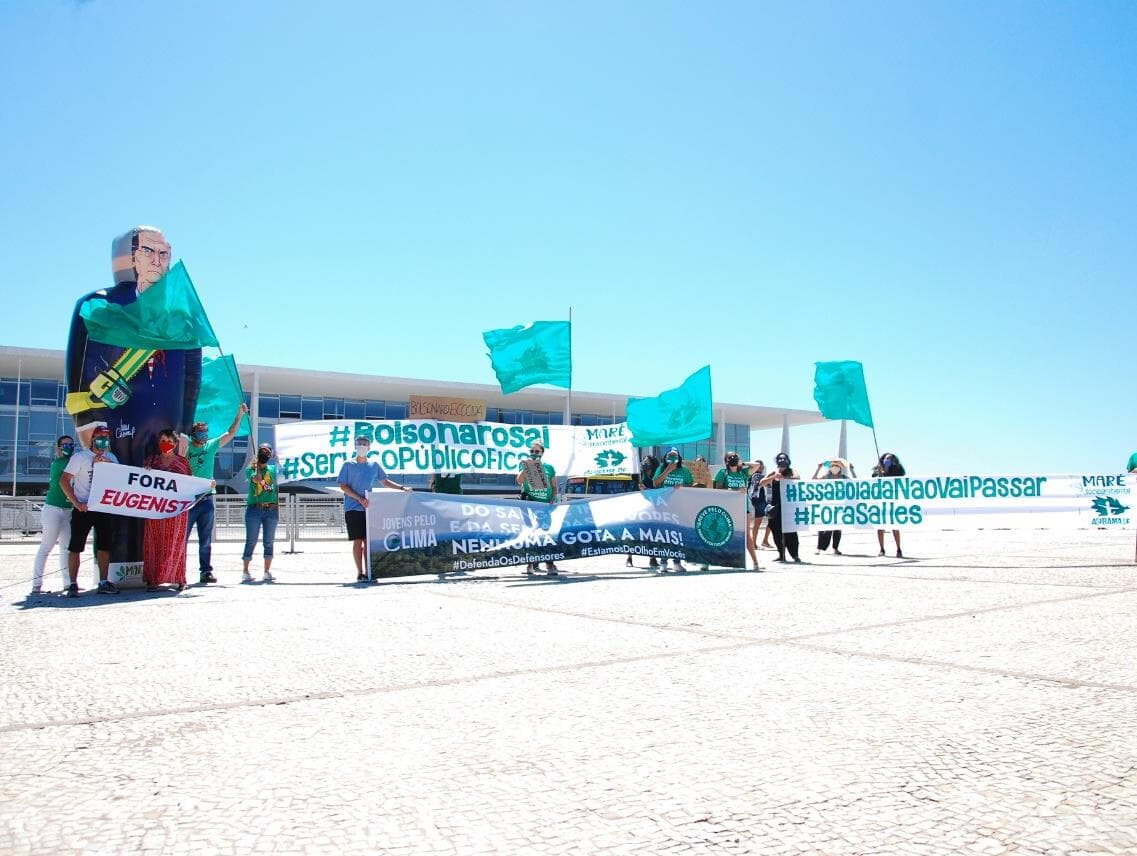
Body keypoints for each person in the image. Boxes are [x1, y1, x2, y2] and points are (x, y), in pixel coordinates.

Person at [65, 226, 202, 576]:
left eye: (165, 253)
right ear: (131, 256)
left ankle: (158, 570)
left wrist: (185, 427)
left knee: (159, 503)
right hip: (113, 419)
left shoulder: (181, 317)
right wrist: (86, 419)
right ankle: (115, 572)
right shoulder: (99, 304)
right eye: (149, 251)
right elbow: (79, 364)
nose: (158, 260)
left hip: (166, 426)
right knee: (115, 503)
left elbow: (190, 378)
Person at [183, 403, 248, 584]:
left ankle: (206, 571)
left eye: (206, 432)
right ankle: (179, 571)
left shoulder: (211, 445)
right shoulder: (186, 446)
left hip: (207, 497)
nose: (204, 435)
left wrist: (239, 414)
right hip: (189, 498)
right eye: (201, 432)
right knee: (183, 537)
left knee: (205, 539)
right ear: (193, 434)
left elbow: (230, 433)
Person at [58, 423, 121, 597]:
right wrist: (76, 502)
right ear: (93, 439)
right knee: (76, 546)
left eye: (106, 438)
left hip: (103, 507)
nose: (103, 441)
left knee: (104, 546)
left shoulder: (112, 457)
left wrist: (107, 464)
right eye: (100, 437)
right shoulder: (80, 457)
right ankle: (72, 583)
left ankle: (103, 581)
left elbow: (120, 480)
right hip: (83, 507)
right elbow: (64, 480)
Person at [339, 436, 410, 582]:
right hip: (352, 509)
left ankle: (370, 571)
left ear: (369, 448)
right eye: (360, 444)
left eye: (365, 444)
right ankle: (360, 572)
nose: (362, 447)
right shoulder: (348, 464)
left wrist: (402, 488)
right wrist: (359, 498)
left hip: (368, 509)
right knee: (357, 541)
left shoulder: (374, 465)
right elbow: (343, 486)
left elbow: (385, 482)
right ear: (355, 446)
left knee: (368, 542)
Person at [143, 428, 192, 593]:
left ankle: (179, 578)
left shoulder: (182, 463)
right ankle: (153, 579)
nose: (166, 444)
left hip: (176, 510)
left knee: (175, 543)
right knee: (154, 542)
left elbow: (190, 484)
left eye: (170, 442)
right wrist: (146, 472)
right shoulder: (152, 461)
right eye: (163, 441)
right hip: (155, 509)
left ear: (175, 444)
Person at [31, 435, 75, 595]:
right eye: (65, 445)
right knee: (46, 547)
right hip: (53, 509)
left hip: (68, 509)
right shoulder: (59, 464)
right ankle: (36, 583)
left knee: (66, 548)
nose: (68, 447)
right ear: (58, 447)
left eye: (71, 444)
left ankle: (68, 582)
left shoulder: (73, 461)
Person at [516, 440, 559, 576]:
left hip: (545, 506)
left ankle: (550, 564)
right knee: (531, 534)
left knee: (546, 535)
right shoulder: (525, 464)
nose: (534, 454)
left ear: (542, 453)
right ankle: (530, 564)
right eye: (532, 451)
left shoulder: (549, 467)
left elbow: (554, 486)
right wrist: (528, 467)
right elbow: (519, 481)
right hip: (530, 503)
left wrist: (553, 499)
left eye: (537, 451)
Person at [243, 443, 280, 583]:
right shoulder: (250, 469)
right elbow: (257, 479)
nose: (264, 454)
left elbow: (284, 472)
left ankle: (267, 571)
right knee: (251, 540)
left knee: (269, 542)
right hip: (255, 509)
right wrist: (257, 466)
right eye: (262, 451)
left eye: (267, 452)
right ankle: (245, 570)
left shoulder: (273, 469)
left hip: (271, 509)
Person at [711, 451, 754, 571]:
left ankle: (755, 562)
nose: (733, 458)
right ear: (726, 461)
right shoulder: (722, 473)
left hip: (743, 507)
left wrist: (742, 463)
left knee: (746, 535)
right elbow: (718, 489)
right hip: (727, 508)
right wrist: (733, 490)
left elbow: (756, 466)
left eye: (735, 456)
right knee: (724, 534)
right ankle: (716, 559)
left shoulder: (743, 472)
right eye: (730, 457)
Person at [653, 448, 693, 572]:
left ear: (679, 458)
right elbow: (656, 483)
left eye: (675, 456)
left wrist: (682, 486)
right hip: (664, 505)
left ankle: (677, 562)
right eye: (670, 455)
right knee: (665, 535)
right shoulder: (661, 468)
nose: (672, 458)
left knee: (677, 535)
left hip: (679, 506)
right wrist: (667, 470)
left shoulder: (684, 470)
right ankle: (663, 563)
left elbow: (691, 484)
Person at [760, 451, 801, 563]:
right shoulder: (774, 472)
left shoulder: (793, 471)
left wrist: (785, 477)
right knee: (776, 531)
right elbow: (761, 483)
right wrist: (774, 476)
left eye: (784, 459)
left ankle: (795, 555)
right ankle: (781, 554)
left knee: (791, 532)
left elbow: (797, 478)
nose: (782, 461)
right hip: (776, 505)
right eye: (780, 459)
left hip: (789, 506)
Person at [812, 458, 853, 555]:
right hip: (827, 506)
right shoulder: (826, 477)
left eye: (837, 466)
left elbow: (856, 482)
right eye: (833, 466)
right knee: (823, 527)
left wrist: (852, 470)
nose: (835, 468)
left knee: (838, 528)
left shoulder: (844, 478)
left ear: (840, 468)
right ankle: (819, 547)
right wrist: (818, 469)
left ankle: (835, 548)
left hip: (840, 506)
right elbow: (813, 480)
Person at [873, 452, 906, 557]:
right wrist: (880, 472)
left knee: (895, 526)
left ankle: (898, 549)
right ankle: (882, 549)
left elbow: (901, 477)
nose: (888, 460)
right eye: (886, 458)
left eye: (890, 459)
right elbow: (873, 481)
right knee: (880, 527)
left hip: (893, 501)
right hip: (881, 501)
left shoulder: (898, 469)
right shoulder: (877, 470)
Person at [631, 454, 661, 568]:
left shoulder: (656, 474)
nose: (644, 463)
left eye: (647, 461)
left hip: (653, 506)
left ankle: (652, 558)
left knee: (653, 533)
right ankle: (629, 555)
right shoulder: (640, 474)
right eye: (643, 461)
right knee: (636, 531)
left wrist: (646, 489)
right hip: (641, 505)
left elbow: (658, 490)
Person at [746, 460, 767, 568]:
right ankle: (754, 542)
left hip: (757, 499)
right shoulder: (757, 475)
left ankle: (757, 542)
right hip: (758, 499)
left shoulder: (754, 475)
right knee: (757, 524)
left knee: (758, 523)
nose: (762, 466)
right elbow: (759, 485)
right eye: (761, 464)